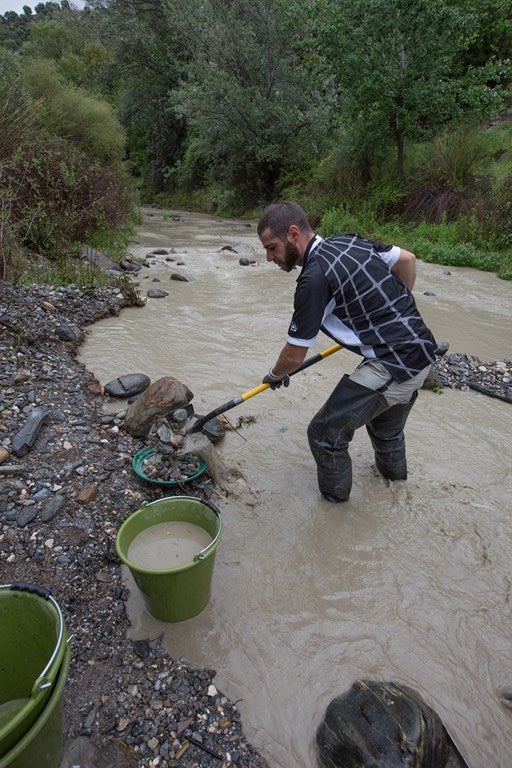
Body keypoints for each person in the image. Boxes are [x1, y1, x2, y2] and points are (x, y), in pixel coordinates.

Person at [257, 201, 438, 503]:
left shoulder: (313, 279)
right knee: (385, 430)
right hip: (420, 350)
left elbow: (294, 354)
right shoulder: (350, 241)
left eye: (272, 248)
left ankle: (335, 516)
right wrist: (397, 309)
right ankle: (398, 493)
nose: (269, 258)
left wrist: (275, 375)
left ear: (293, 234)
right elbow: (407, 259)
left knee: (324, 434)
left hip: (395, 363)